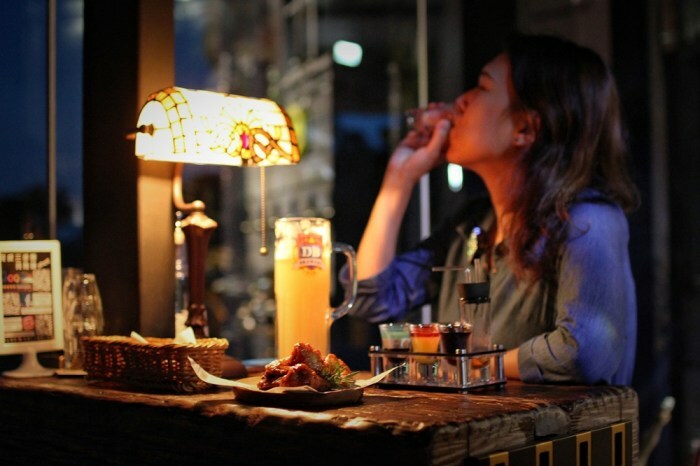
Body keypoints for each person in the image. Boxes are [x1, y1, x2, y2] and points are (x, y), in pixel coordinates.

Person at [342, 33, 639, 386]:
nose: (461, 101)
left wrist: (473, 363)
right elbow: (370, 299)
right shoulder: (473, 225)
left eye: (482, 87)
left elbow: (584, 352)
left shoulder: (589, 220)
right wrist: (398, 181)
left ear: (524, 127)